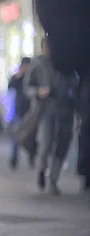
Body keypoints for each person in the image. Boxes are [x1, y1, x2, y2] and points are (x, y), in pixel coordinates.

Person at [25, 0, 90, 192]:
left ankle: (53, 176)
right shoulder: (43, 64)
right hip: (53, 108)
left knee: (60, 142)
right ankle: (47, 175)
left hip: (65, 106)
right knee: (50, 141)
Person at [25, 38, 77, 195]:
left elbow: (74, 83)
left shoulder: (66, 65)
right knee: (46, 143)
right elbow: (28, 87)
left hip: (65, 110)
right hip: (46, 108)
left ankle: (53, 180)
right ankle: (41, 169)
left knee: (62, 144)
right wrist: (38, 92)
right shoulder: (38, 64)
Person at [8, 57, 33, 169]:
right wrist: (18, 76)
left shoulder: (32, 77)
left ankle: (31, 157)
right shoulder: (18, 77)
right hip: (19, 110)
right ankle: (14, 158)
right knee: (17, 135)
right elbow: (10, 86)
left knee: (31, 136)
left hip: (30, 111)